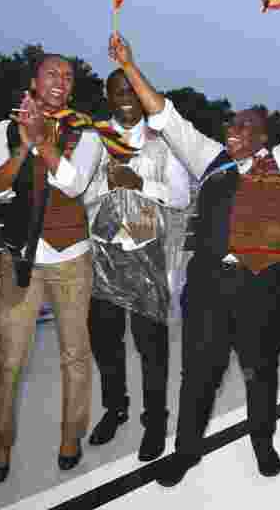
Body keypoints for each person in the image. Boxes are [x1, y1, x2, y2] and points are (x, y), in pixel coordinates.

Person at [107, 29, 280, 486]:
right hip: (208, 290)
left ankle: (263, 441)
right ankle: (185, 451)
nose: (229, 130)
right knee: (198, 374)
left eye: (240, 126)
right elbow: (165, 115)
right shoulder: (210, 160)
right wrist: (128, 65)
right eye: (230, 125)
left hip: (266, 290)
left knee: (260, 373)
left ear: (261, 138)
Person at [0, 54, 103, 481]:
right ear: (34, 80)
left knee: (76, 355)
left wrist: (44, 141)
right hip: (20, 257)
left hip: (72, 257)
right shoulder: (4, 128)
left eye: (68, 76)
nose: (61, 81)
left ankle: (71, 435)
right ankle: (0, 442)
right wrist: (25, 144)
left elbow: (74, 182)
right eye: (52, 73)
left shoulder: (86, 132)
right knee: (9, 358)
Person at [84, 69, 192, 462]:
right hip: (105, 256)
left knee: (152, 350)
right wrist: (105, 187)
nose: (126, 97)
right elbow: (78, 193)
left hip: (148, 255)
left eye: (132, 90)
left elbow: (180, 197)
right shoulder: (93, 139)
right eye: (118, 92)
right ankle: (115, 409)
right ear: (108, 96)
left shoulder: (163, 139)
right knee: (107, 346)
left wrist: (140, 184)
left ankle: (156, 421)